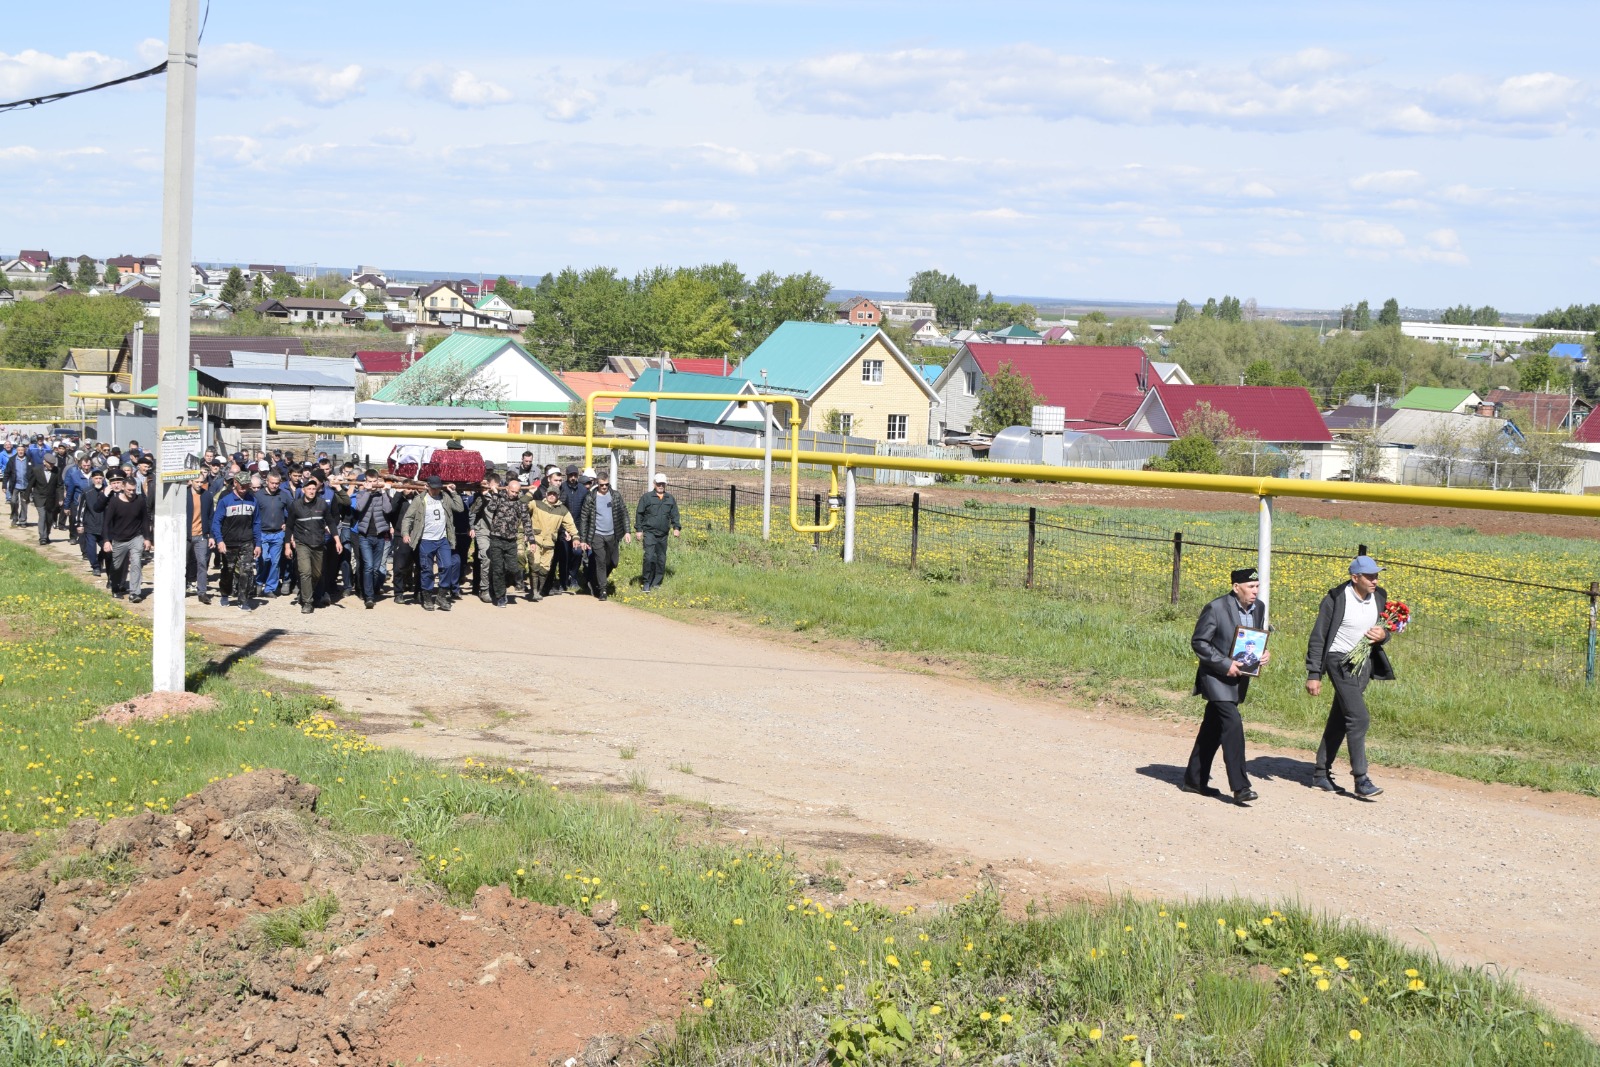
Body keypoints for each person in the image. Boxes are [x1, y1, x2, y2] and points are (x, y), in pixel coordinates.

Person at [1306, 556, 1393, 798]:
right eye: (1370, 576)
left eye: (1377, 575)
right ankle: (1361, 779)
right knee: (1359, 717)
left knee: (1341, 718)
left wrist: (1383, 636)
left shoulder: (1379, 596)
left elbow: (1385, 630)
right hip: (1339, 660)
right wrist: (1314, 674)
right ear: (1355, 578)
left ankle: (1320, 774)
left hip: (1364, 661)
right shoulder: (1336, 599)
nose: (1375, 580)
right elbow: (1318, 637)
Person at [1183, 566, 1270, 804]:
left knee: (1212, 729)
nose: (1255, 591)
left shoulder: (1259, 608)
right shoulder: (1216, 607)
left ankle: (1194, 779)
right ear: (1236, 587)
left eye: (1257, 586)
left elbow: (1254, 639)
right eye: (1251, 587)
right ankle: (1240, 786)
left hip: (1238, 680)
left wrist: (1263, 654)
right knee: (1232, 725)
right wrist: (1224, 664)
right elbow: (1200, 642)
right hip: (1215, 677)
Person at [399, 475, 463, 612]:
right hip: (426, 540)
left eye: (438, 488)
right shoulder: (420, 500)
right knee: (427, 569)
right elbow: (408, 518)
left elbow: (459, 508)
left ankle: (441, 595)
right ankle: (427, 597)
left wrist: (454, 493)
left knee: (447, 565)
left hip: (443, 539)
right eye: (433, 488)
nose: (436, 491)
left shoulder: (444, 497)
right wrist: (405, 533)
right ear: (427, 486)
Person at [286, 474, 342, 614]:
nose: (311, 491)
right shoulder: (296, 505)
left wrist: (337, 540)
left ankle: (305, 593)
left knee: (316, 574)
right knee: (305, 572)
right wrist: (287, 545)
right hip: (302, 543)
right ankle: (307, 602)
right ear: (303, 490)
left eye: (313, 488)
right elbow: (289, 526)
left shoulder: (322, 504)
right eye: (309, 488)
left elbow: (330, 522)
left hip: (318, 543)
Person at [474, 472, 531, 607]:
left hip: (511, 540)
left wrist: (532, 540)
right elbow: (491, 508)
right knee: (498, 569)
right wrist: (494, 494)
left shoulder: (520, 504)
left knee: (513, 567)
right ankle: (500, 596)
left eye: (517, 492)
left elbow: (527, 521)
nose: (514, 494)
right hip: (496, 539)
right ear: (507, 489)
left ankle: (518, 580)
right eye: (512, 491)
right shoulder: (499, 498)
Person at [211, 473, 262, 611]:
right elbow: (216, 522)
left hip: (247, 541)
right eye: (242, 485)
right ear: (235, 483)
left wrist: (258, 544)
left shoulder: (253, 500)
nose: (244, 488)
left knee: (246, 571)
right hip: (229, 542)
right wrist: (220, 541)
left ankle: (243, 600)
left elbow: (257, 523)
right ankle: (225, 594)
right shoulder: (225, 501)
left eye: (247, 485)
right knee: (228, 570)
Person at [578, 471, 629, 600]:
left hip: (612, 534)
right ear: (597, 484)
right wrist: (583, 539)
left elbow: (624, 513)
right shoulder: (591, 497)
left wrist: (627, 531)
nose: (605, 487)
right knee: (600, 560)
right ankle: (602, 590)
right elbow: (584, 519)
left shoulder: (615, 496)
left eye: (606, 484)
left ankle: (594, 580)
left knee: (612, 562)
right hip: (596, 535)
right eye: (602, 485)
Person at [102, 473, 153, 601]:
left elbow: (145, 520)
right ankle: (115, 588)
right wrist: (107, 541)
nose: (131, 492)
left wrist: (147, 538)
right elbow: (107, 523)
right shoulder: (114, 502)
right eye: (129, 490)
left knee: (136, 563)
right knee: (117, 566)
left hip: (136, 537)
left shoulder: (140, 500)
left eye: (134, 490)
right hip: (119, 539)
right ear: (123, 487)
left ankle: (135, 592)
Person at [349, 471, 395, 609]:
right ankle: (369, 596)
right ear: (366, 481)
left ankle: (371, 590)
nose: (373, 484)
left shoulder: (382, 495)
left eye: (375, 481)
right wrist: (368, 492)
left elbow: (388, 510)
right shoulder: (361, 494)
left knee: (375, 569)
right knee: (368, 566)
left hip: (380, 536)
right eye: (370, 481)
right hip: (365, 536)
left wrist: (384, 493)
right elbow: (359, 507)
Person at [527, 480, 579, 602]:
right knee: (535, 564)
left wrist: (576, 537)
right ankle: (534, 591)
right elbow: (522, 506)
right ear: (546, 494)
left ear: (558, 496)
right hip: (535, 541)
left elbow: (570, 524)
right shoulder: (536, 504)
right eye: (550, 493)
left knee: (545, 568)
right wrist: (529, 493)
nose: (551, 496)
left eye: (554, 494)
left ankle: (539, 590)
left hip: (550, 544)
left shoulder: (562, 510)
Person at [635, 472, 682, 592]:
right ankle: (646, 582)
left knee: (661, 558)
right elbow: (639, 514)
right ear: (654, 484)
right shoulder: (647, 497)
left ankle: (656, 582)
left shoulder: (670, 498)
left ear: (666, 485)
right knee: (649, 557)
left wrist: (676, 528)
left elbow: (675, 514)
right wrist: (639, 530)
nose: (661, 486)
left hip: (663, 534)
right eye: (659, 483)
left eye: (663, 484)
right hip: (650, 532)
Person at [253, 470, 293, 598]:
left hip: (278, 534)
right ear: (267, 482)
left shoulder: (284, 495)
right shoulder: (258, 496)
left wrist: (288, 523)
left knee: (275, 562)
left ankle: (270, 588)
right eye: (272, 483)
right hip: (262, 533)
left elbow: (293, 511)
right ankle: (259, 583)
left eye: (277, 483)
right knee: (263, 559)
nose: (275, 486)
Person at [185, 471, 215, 604]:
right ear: (190, 481)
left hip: (201, 535)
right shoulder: (184, 495)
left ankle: (202, 592)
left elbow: (211, 516)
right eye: (196, 481)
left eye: (201, 482)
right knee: (182, 563)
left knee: (202, 562)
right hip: (185, 535)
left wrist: (211, 536)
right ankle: (180, 588)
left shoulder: (207, 496)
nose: (199, 484)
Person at [28, 455, 66, 545]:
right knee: (42, 516)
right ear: (44, 462)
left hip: (51, 498)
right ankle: (42, 537)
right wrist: (26, 496)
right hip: (39, 497)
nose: (52, 466)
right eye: (50, 464)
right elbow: (30, 484)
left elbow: (60, 485)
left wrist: (60, 498)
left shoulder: (57, 470)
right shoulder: (36, 470)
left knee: (49, 519)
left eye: (53, 464)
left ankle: (47, 534)